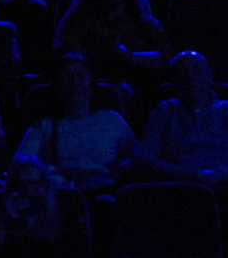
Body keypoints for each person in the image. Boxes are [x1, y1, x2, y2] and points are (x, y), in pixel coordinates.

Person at [137, 47, 228, 201]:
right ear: (173, 80)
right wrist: (182, 174)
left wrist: (221, 173)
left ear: (209, 75)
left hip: (223, 188)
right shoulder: (165, 111)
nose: (190, 77)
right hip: (174, 188)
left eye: (196, 69)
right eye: (182, 72)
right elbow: (144, 157)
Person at [18, 50, 141, 191]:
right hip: (64, 193)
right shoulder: (44, 125)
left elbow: (137, 157)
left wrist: (116, 173)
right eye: (67, 78)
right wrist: (58, 179)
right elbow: (23, 161)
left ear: (91, 83)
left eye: (80, 76)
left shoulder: (112, 121)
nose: (74, 83)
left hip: (108, 190)